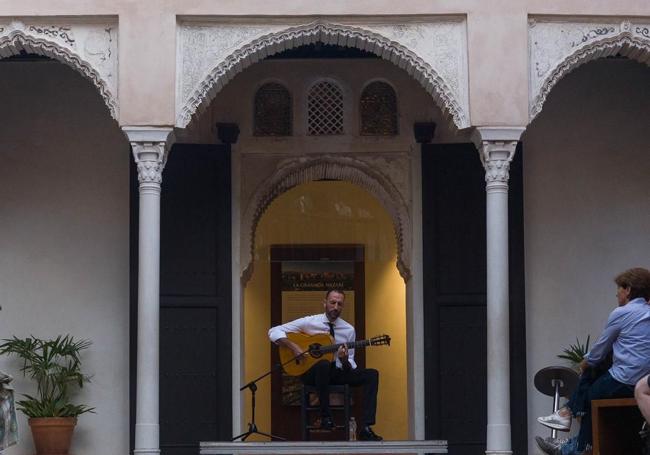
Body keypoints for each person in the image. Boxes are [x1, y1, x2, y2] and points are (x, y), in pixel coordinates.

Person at [536, 267, 650, 455]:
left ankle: (575, 443)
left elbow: (598, 351)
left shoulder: (621, 313)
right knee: (597, 371)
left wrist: (584, 364)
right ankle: (571, 432)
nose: (616, 294)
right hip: (645, 380)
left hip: (626, 380)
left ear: (628, 289)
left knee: (591, 382)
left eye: (619, 289)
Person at [268, 289, 382, 441]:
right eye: (332, 302)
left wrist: (343, 359)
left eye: (339, 304)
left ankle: (366, 428)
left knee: (371, 374)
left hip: (335, 372)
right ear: (325, 303)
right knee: (323, 365)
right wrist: (294, 347)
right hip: (311, 373)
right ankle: (325, 417)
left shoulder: (349, 330)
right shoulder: (310, 322)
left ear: (343, 306)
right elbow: (274, 331)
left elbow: (350, 365)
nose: (335, 307)